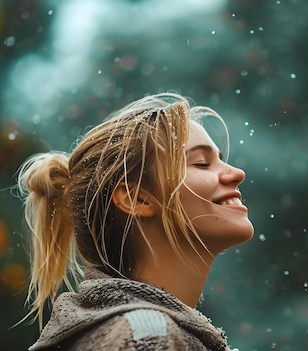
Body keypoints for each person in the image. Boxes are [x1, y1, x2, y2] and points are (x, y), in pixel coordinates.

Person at [16, 93, 254, 350]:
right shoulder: (148, 339)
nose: (236, 173)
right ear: (136, 198)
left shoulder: (121, 333)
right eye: (202, 163)